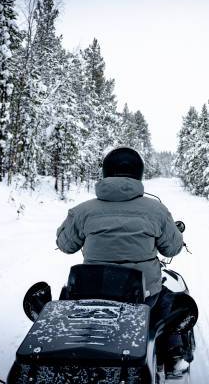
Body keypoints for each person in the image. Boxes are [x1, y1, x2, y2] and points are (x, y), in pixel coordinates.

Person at [55, 147, 187, 373]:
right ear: (139, 174)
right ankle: (173, 354)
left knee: (65, 295)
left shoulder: (82, 211)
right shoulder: (157, 211)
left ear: (106, 173)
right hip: (143, 297)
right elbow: (172, 248)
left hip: (89, 294)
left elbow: (66, 245)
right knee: (169, 303)